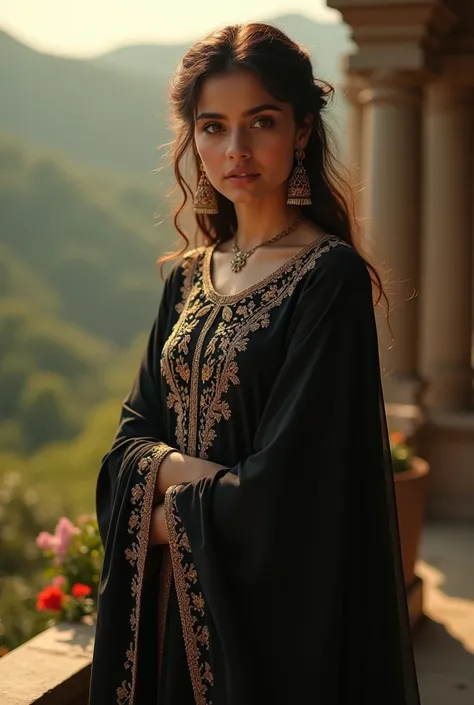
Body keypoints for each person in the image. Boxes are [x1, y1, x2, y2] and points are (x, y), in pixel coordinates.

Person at [89, 22, 421, 705]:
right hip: (168, 615)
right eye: (213, 127)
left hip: (270, 626)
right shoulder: (188, 276)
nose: (234, 150)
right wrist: (201, 489)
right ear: (193, 139)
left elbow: (299, 487)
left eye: (259, 122)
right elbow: (129, 438)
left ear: (300, 130)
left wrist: (157, 510)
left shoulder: (327, 278)